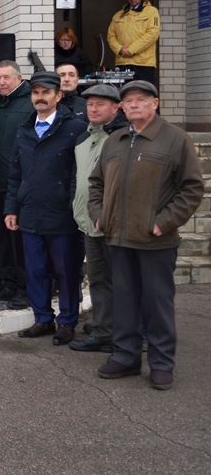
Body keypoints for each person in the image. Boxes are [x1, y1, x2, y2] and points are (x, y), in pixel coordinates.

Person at [88, 80, 203, 390]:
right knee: (124, 301)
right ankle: (125, 357)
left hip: (155, 240)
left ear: (156, 102)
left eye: (141, 99)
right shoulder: (116, 140)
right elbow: (95, 184)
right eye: (129, 100)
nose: (134, 104)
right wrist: (99, 216)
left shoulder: (175, 139)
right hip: (118, 237)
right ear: (122, 107)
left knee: (157, 304)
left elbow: (191, 189)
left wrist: (163, 222)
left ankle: (162, 363)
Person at [4, 72, 88, 346]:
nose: (40, 97)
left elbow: (78, 173)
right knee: (36, 269)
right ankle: (42, 318)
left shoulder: (74, 127)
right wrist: (11, 208)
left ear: (58, 96)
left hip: (61, 214)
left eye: (45, 92)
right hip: (30, 212)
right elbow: (15, 173)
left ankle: (66, 322)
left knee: (66, 271)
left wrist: (73, 205)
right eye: (35, 93)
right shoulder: (24, 128)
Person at [69, 84, 126, 353]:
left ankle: (125, 333)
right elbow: (78, 180)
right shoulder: (83, 138)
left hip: (113, 224)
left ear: (116, 108)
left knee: (121, 280)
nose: (93, 109)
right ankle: (104, 329)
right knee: (100, 279)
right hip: (88, 222)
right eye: (90, 104)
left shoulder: (122, 138)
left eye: (100, 105)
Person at [0, 60, 32, 307]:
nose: (2, 82)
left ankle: (25, 287)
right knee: (1, 238)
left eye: (6, 77)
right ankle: (6, 281)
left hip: (21, 185)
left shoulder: (30, 103)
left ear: (19, 77)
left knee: (20, 241)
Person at [107, 0, 161, 87]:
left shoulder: (151, 12)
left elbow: (152, 34)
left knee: (145, 95)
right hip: (122, 64)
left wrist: (131, 50)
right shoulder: (118, 15)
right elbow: (110, 36)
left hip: (143, 64)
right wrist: (119, 49)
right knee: (123, 97)